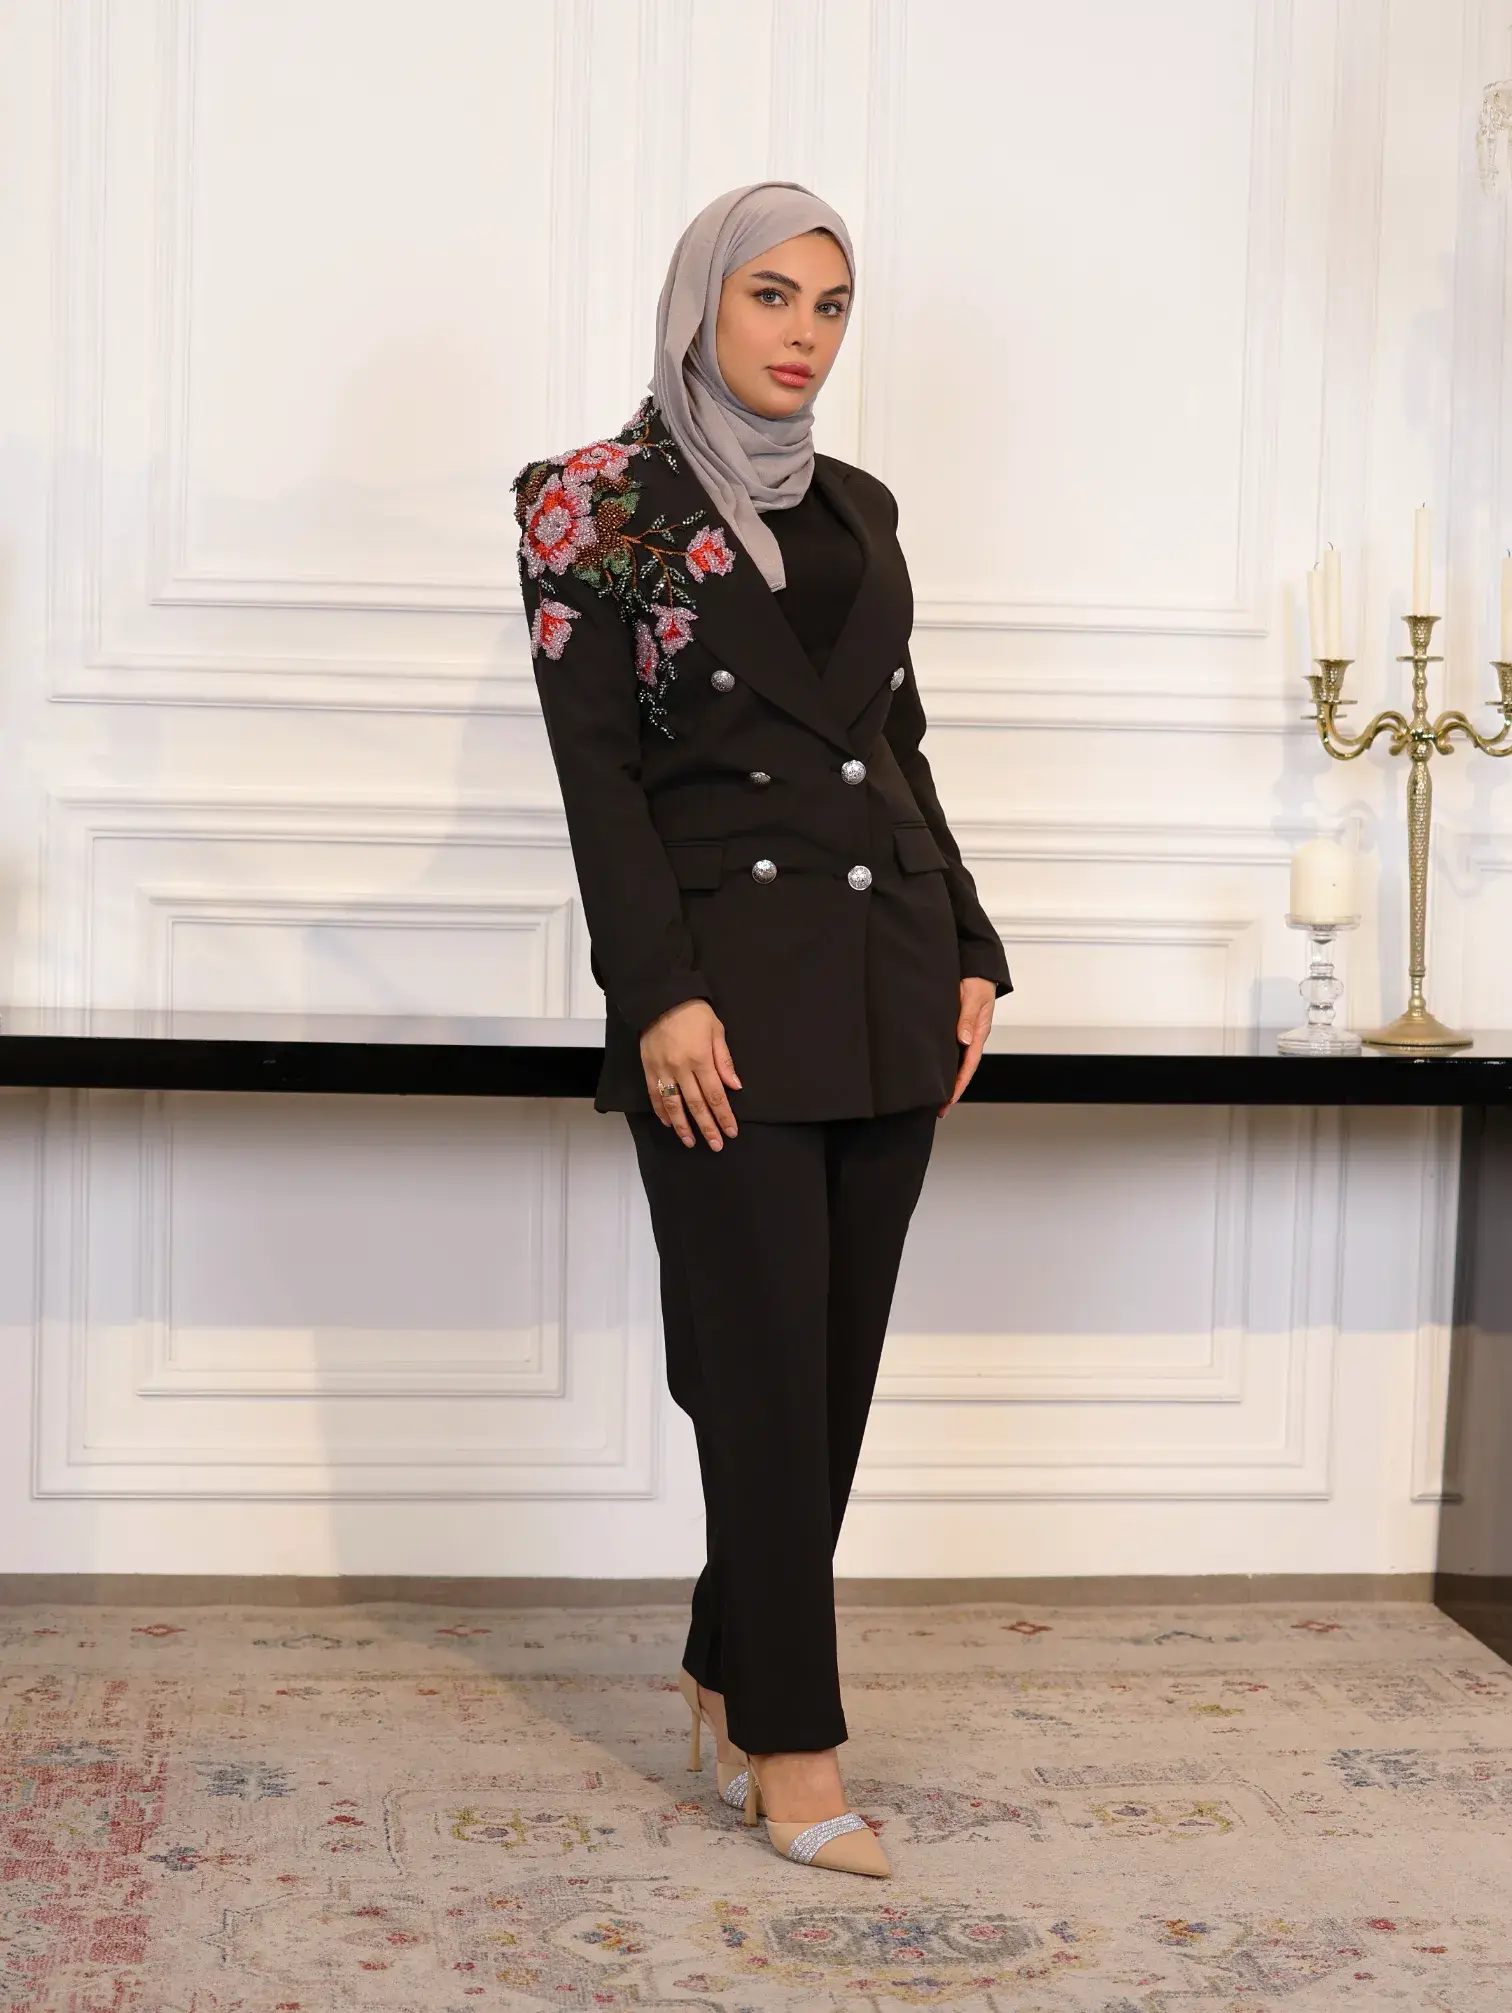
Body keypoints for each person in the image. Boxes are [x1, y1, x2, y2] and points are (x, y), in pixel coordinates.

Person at [512, 181, 1011, 1878]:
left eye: (832, 305)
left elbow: (901, 749)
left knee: (830, 1376)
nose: (804, 334)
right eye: (772, 296)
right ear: (701, 304)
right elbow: (598, 775)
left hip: (889, 977)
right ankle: (796, 1749)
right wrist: (656, 992)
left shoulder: (862, 508)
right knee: (758, 1366)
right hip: (723, 998)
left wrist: (973, 946)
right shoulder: (592, 504)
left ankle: (729, 1661)